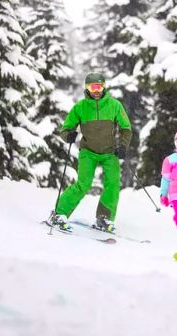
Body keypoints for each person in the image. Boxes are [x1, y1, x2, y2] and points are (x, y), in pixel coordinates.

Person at [48, 72, 132, 233]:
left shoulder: (114, 105)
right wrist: (69, 135)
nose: (96, 90)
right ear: (86, 88)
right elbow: (65, 129)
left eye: (99, 86)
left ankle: (104, 218)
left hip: (110, 152)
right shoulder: (80, 107)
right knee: (83, 184)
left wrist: (123, 146)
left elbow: (126, 129)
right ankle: (59, 214)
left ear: (104, 86)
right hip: (88, 151)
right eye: (92, 87)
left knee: (113, 184)